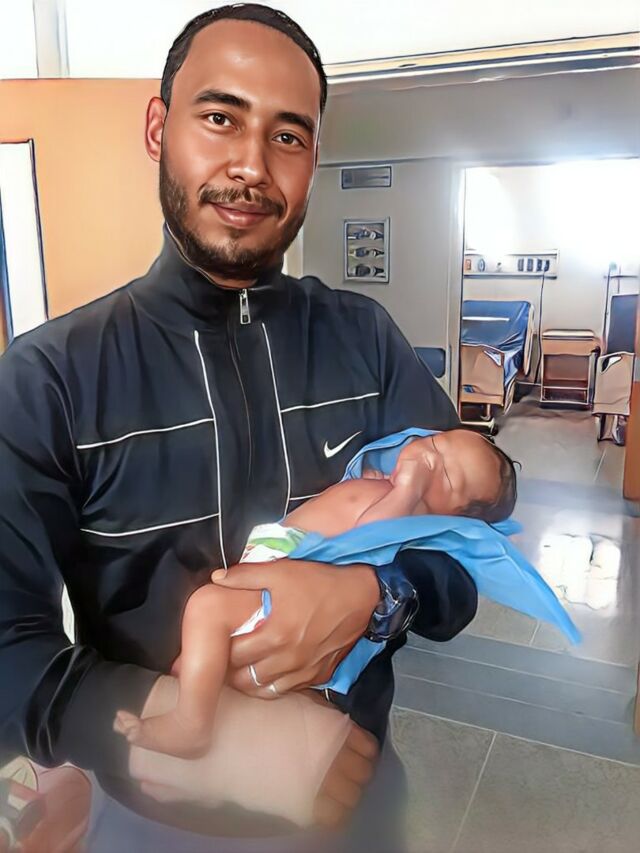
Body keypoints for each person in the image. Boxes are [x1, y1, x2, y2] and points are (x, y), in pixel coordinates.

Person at [0, 5, 478, 851]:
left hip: (361, 807)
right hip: (153, 822)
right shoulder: (49, 379)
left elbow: (471, 543)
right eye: (220, 118)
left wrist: (378, 595)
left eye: (288, 136)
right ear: (159, 128)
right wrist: (205, 744)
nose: (252, 165)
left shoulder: (366, 340)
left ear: (314, 158)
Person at [114, 428, 516, 761]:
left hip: (289, 587)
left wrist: (406, 492)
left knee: (207, 608)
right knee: (199, 660)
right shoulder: (390, 485)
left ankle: (192, 727)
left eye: (447, 476)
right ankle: (194, 708)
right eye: (436, 443)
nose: (429, 458)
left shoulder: (410, 511)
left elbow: (371, 535)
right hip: (280, 566)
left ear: (453, 516)